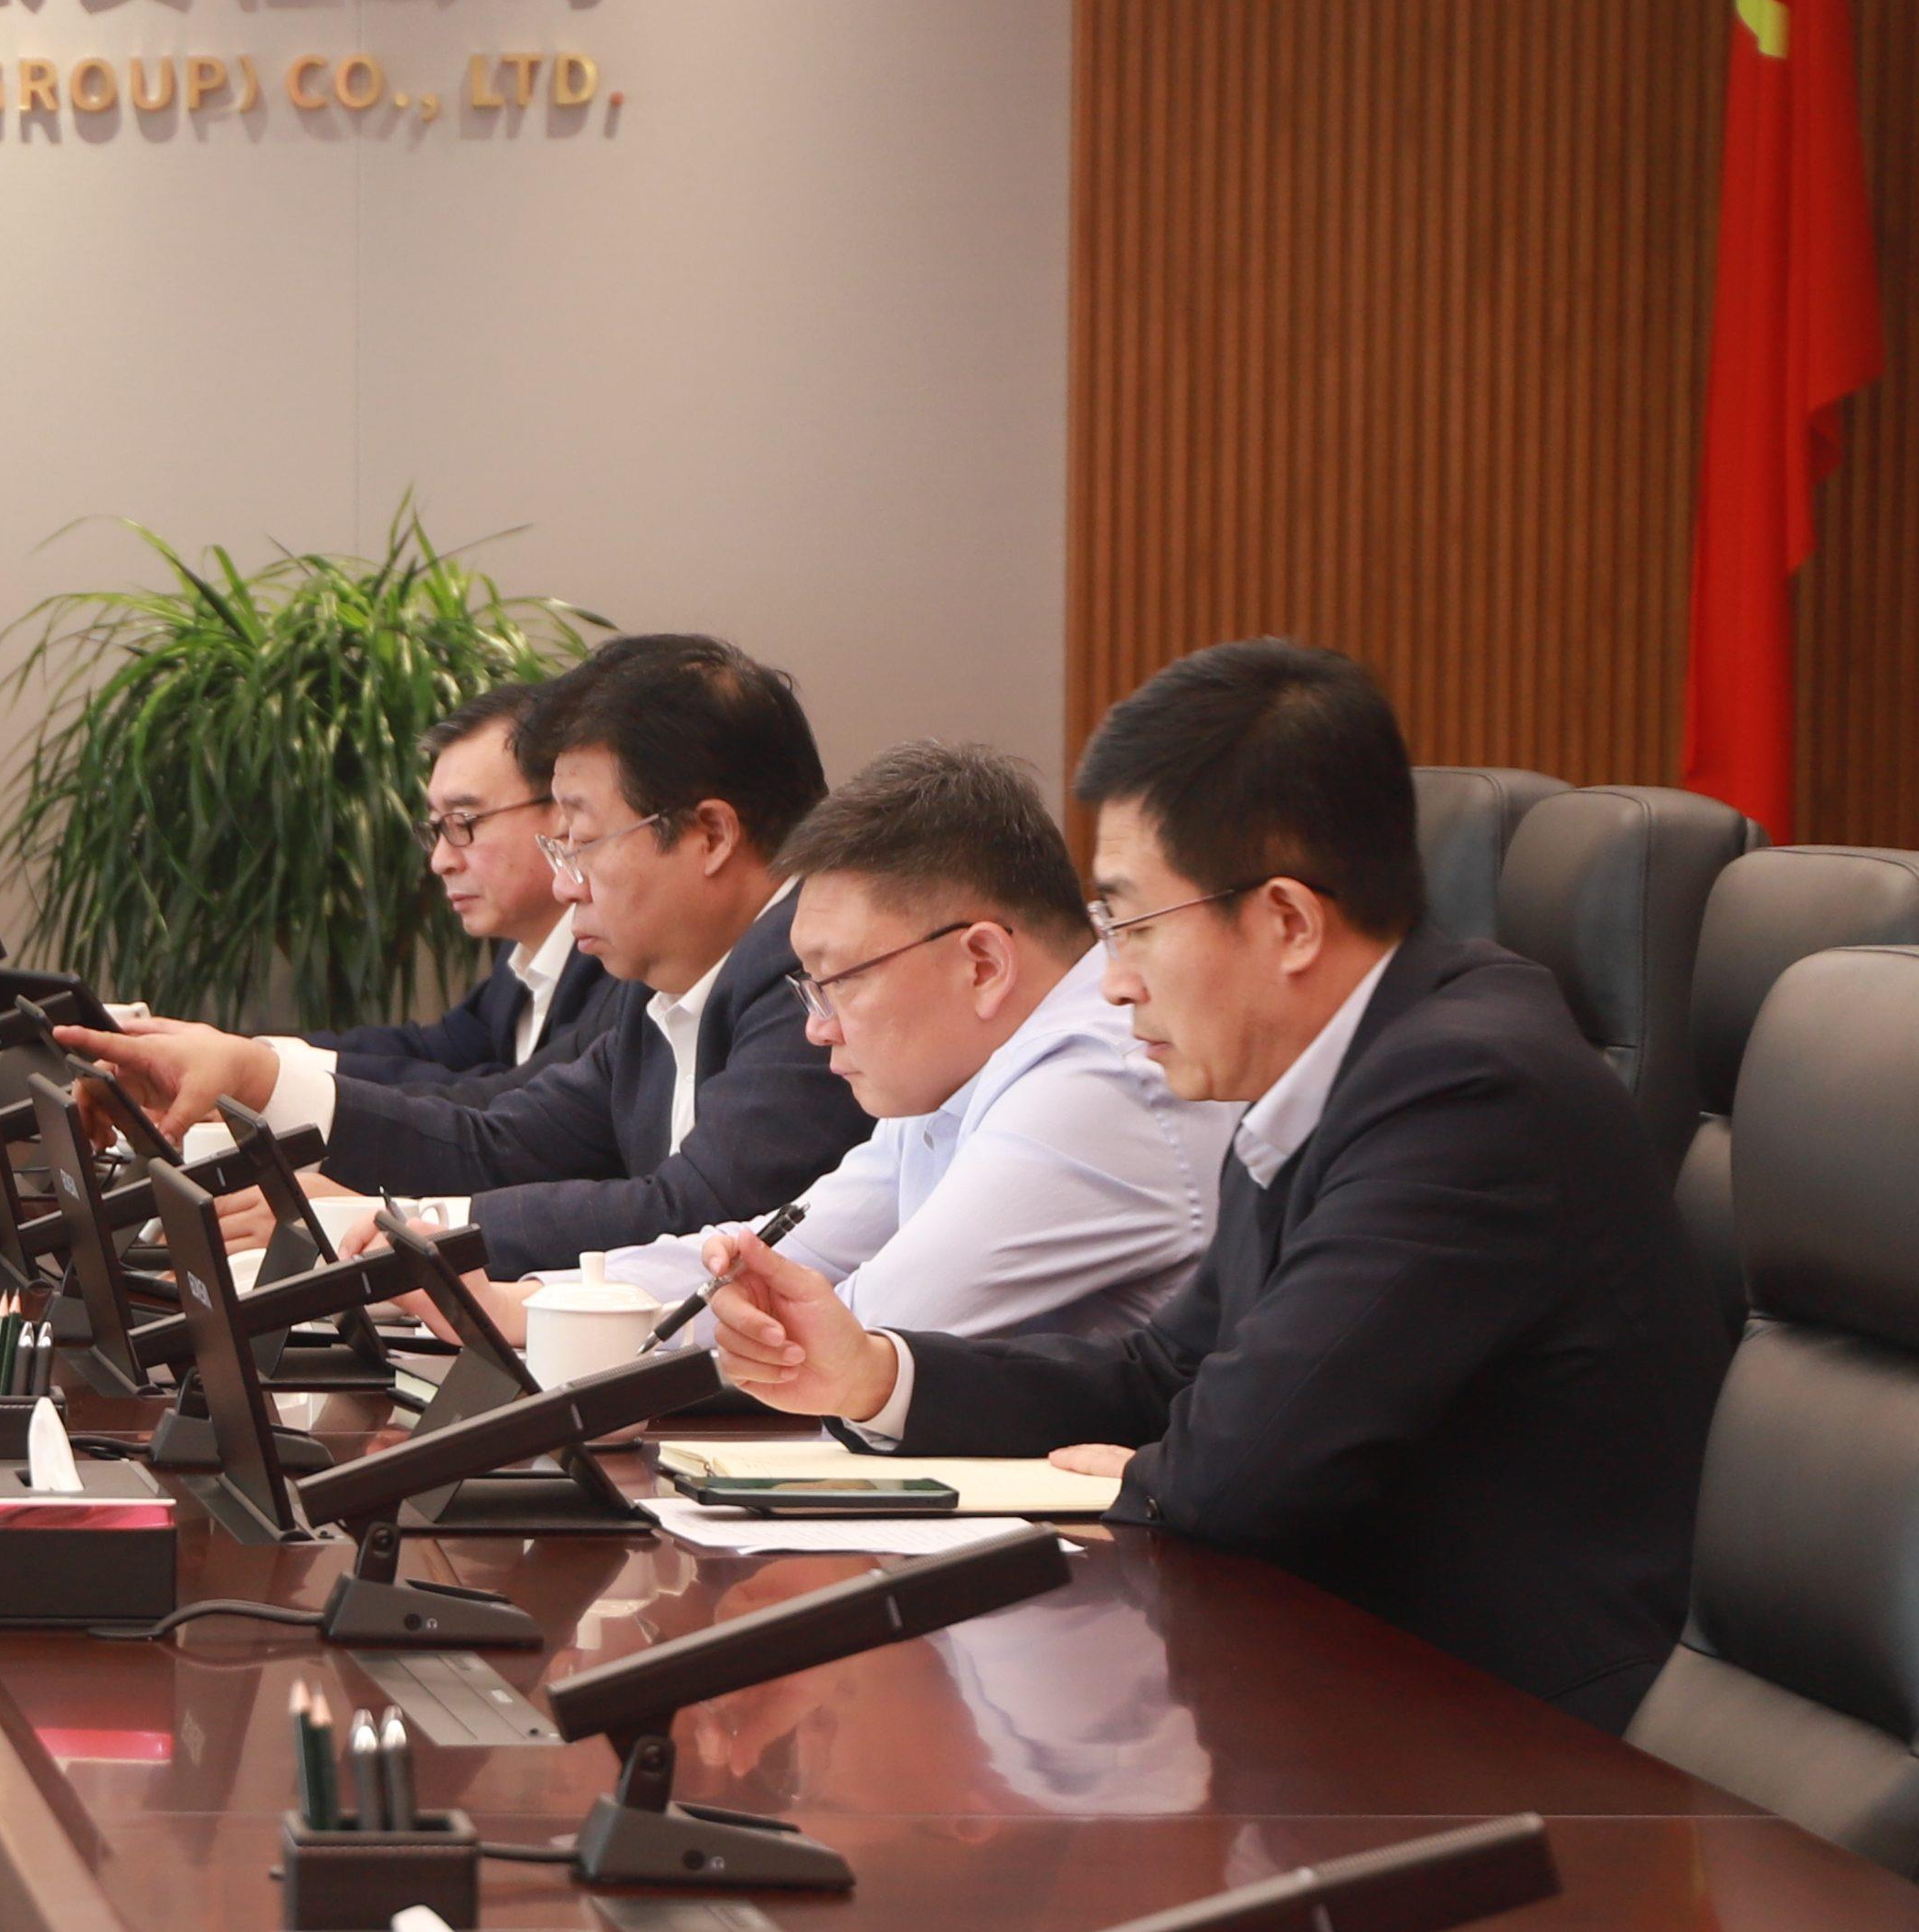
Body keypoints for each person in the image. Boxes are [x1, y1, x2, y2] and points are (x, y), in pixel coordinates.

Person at [695, 639, 1722, 1730]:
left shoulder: (1464, 1093)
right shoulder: (1329, 1062)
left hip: (1515, 1737)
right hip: (1342, 1677)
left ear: (1285, 921)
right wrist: (874, 1376)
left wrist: (1153, 1470)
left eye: (1132, 926)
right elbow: (1166, 1373)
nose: (1113, 982)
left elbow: (1233, 1474)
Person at [62, 632, 864, 1276]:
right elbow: (499, 1143)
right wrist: (255, 1076)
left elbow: (695, 1217)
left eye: (580, 841)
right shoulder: (659, 988)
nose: (566, 884)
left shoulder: (814, 981)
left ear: (710, 834)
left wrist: (389, 1224)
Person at [578, 741, 1220, 1341]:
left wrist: (582, 1330)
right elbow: (786, 1254)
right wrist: (544, 1302)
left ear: (982, 965)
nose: (817, 1027)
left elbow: (851, 1338)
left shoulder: (1096, 1081)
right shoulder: (952, 1074)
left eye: (839, 980)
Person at [327, 679, 638, 1104]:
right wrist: (268, 1059)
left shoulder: (625, 970)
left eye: (463, 823)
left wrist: (282, 1085)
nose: (440, 861)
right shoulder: (520, 953)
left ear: (564, 810)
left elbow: (513, 1109)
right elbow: (435, 1050)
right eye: (436, 829)